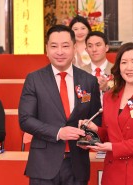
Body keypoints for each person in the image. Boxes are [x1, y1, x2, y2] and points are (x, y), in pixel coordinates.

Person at [19, 25, 101, 185]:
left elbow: (97, 119)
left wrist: (89, 135)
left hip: (77, 165)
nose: (60, 52)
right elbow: (25, 119)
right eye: (54, 46)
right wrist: (58, 132)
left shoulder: (89, 81)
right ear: (47, 49)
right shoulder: (34, 80)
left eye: (65, 46)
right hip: (43, 165)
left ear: (75, 47)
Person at [80, 42, 133, 185]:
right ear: (118, 68)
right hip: (114, 172)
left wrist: (114, 147)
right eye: (124, 62)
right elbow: (110, 134)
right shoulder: (109, 96)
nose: (129, 67)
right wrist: (95, 130)